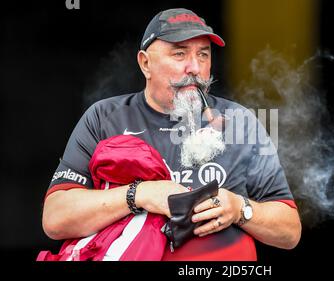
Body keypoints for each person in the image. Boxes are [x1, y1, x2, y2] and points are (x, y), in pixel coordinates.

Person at [42, 8, 301, 261]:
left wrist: (241, 209)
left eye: (203, 55)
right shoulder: (104, 117)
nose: (195, 68)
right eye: (179, 54)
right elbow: (55, 219)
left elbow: (290, 231)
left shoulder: (240, 122)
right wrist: (139, 195)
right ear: (145, 63)